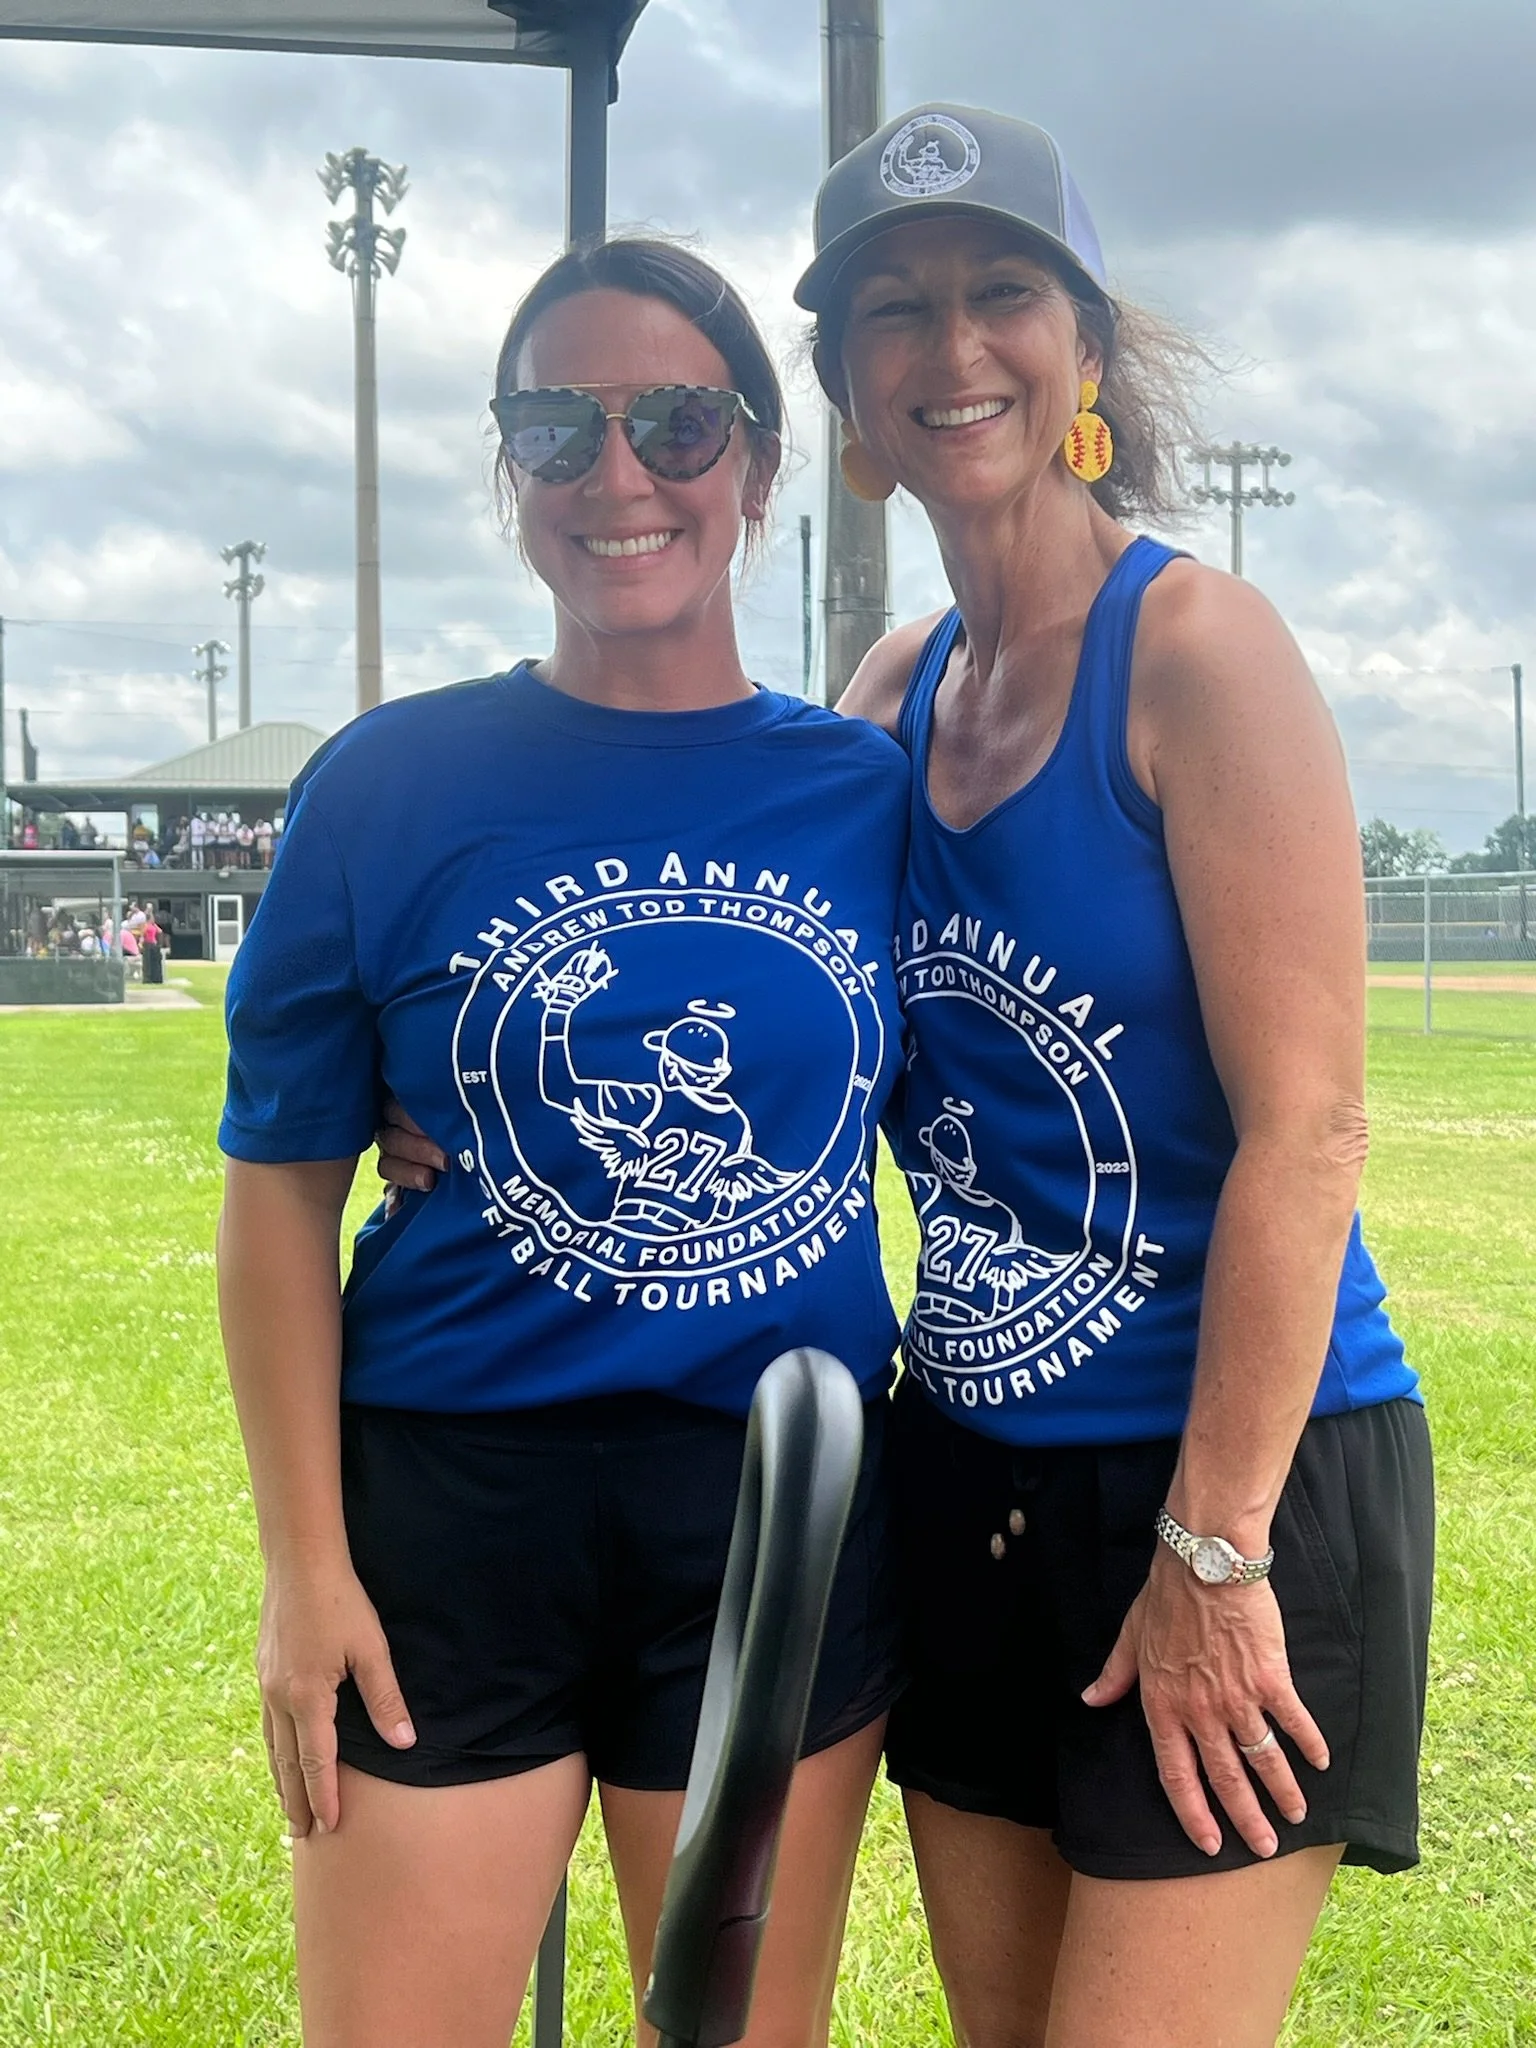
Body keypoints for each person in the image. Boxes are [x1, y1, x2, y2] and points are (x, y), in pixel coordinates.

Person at [216, 236, 910, 2048]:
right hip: (449, 1505)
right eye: (557, 427)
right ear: (509, 469)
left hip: (775, 1508)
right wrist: (306, 1570)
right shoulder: (387, 784)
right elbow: (279, 1192)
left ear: (757, 467)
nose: (620, 477)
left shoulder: (869, 795)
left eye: (679, 424)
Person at [798, 104, 1433, 2048]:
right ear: (844, 386)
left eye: (1003, 294)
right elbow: (786, 1044)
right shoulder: (890, 698)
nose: (953, 346)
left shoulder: (1199, 653)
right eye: (895, 311)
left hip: (1225, 1483)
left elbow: (1308, 1136)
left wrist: (1211, 1548)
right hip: (965, 1481)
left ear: (1081, 348)